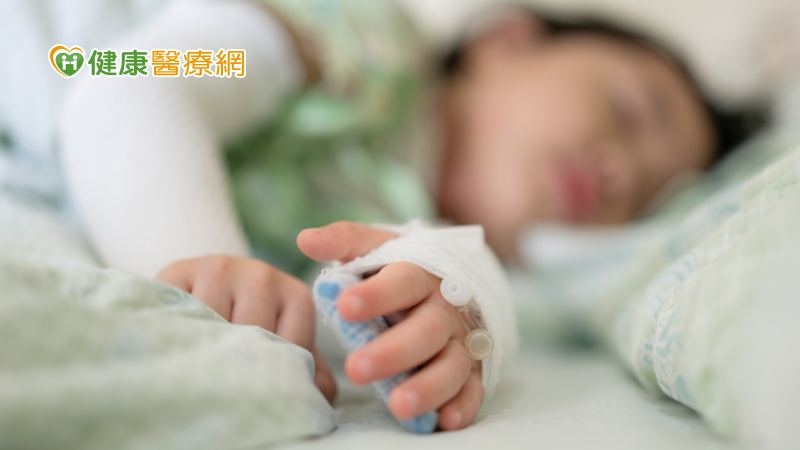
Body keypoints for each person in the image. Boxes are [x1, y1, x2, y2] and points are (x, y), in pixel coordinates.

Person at [56, 0, 759, 432]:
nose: (618, 172)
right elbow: (126, 77)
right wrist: (200, 272)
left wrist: (457, 311)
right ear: (507, 40)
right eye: (628, 112)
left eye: (642, 195)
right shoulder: (365, 48)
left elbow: (418, 310)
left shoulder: (507, 279)